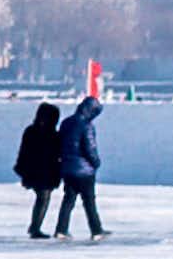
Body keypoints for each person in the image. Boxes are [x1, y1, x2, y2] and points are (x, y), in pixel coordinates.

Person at [56, 93, 106, 239]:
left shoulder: (66, 123)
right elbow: (90, 148)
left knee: (68, 200)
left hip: (67, 168)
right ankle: (96, 230)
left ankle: (61, 229)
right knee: (89, 202)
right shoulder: (87, 126)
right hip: (84, 171)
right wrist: (96, 162)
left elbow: (60, 143)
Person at [13, 100, 64, 238]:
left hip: (34, 171)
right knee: (43, 199)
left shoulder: (31, 130)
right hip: (44, 172)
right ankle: (35, 228)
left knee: (42, 198)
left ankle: (35, 226)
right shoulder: (51, 134)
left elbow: (23, 152)